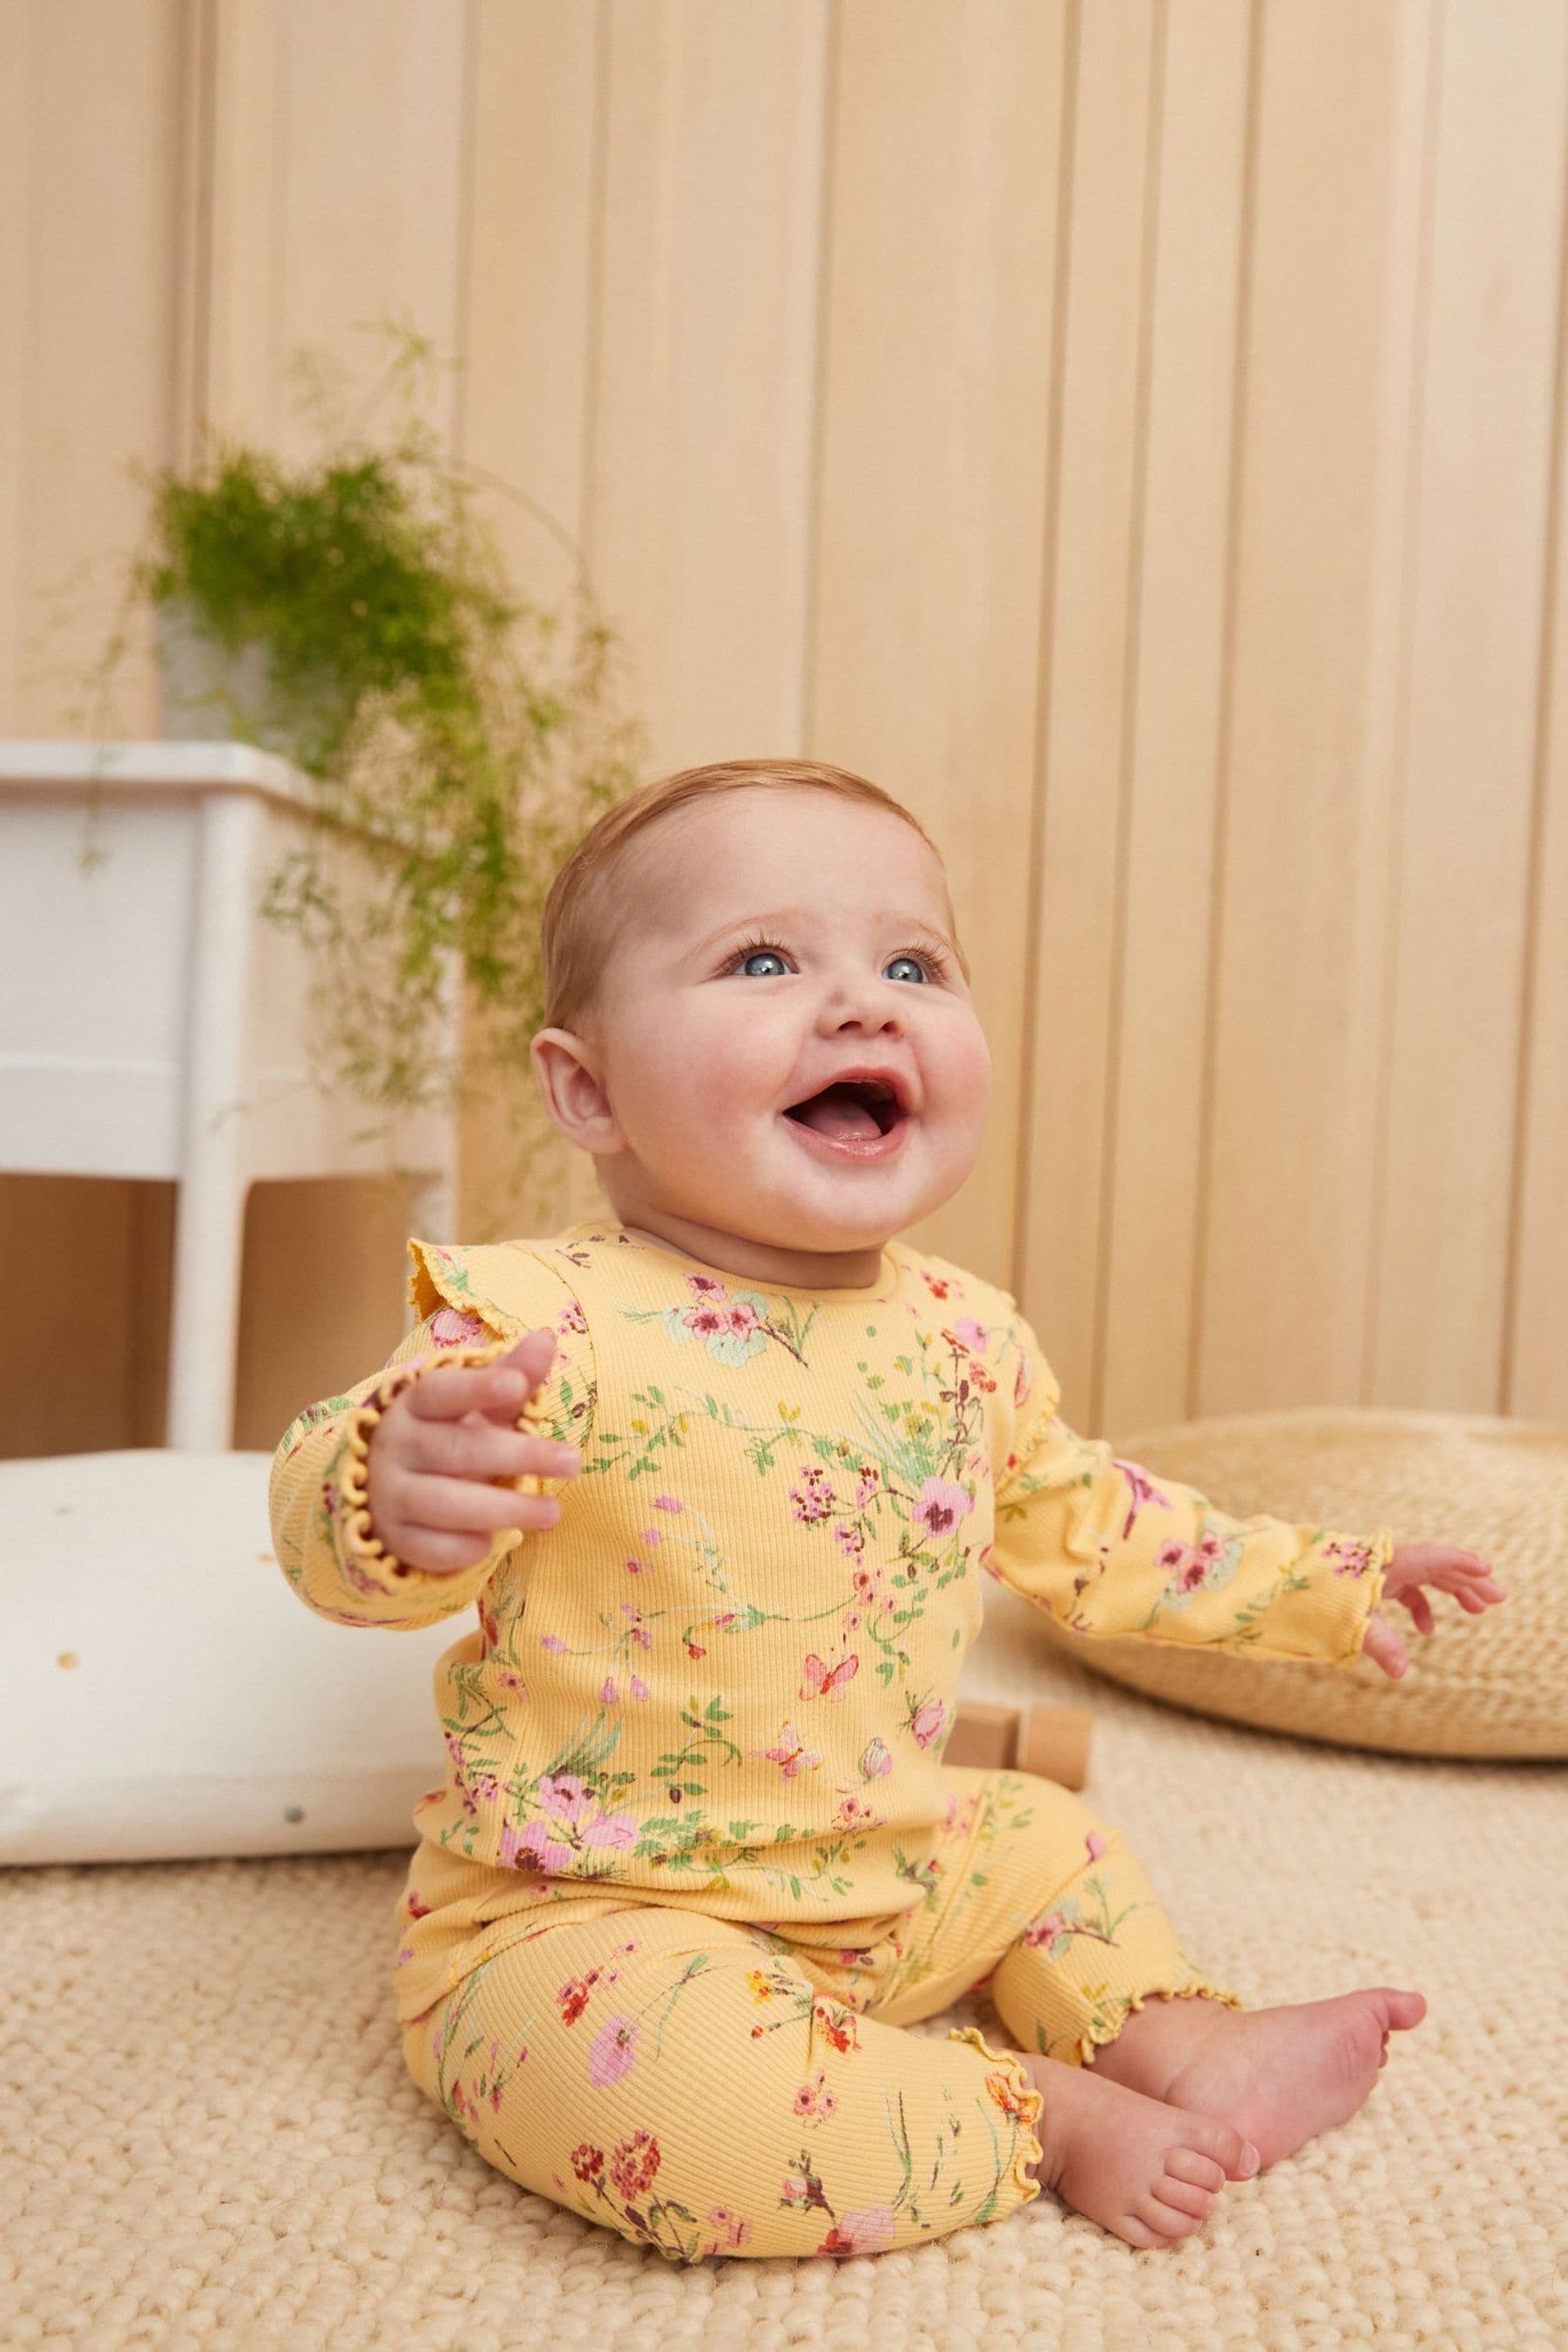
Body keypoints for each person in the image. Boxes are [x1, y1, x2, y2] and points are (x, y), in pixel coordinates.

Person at [269, 758, 1504, 2261]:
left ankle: (1173, 2041)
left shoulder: (963, 1339)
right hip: (592, 1923)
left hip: (890, 1876)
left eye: (913, 964)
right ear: (587, 1090)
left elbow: (1101, 1527)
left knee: (1055, 1843)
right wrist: (391, 1484)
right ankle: (1037, 2111)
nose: (866, 1005)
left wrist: (1331, 1587)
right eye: (766, 960)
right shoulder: (541, 1319)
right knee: (694, 2119)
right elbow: (347, 1554)